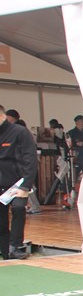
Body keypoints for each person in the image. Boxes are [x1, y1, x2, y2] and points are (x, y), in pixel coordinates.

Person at [1, 106, 39, 259]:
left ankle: (15, 246)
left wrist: (25, 185)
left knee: (18, 208)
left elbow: (31, 159)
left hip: (17, 183)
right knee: (1, 221)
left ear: (2, 116)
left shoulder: (20, 132)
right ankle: (6, 251)